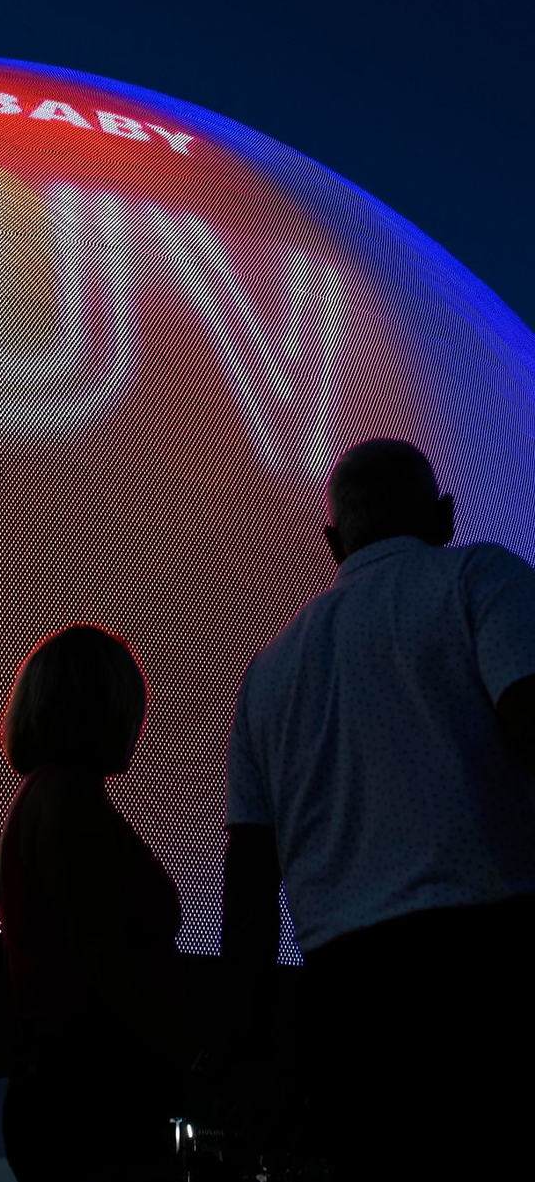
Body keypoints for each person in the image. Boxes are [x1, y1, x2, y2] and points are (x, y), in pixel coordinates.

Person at [222, 438, 535, 1179]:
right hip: (491, 973)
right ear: (446, 515)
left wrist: (249, 1045)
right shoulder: (481, 579)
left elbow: (249, 879)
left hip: (342, 1005)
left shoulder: (266, 672)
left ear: (333, 541)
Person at [0, 624, 182, 1181]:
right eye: (131, 701)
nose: (138, 722)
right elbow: (101, 955)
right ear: (99, 706)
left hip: (69, 1082)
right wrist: (190, 1055)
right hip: (91, 1091)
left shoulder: (48, 795)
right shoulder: (67, 800)